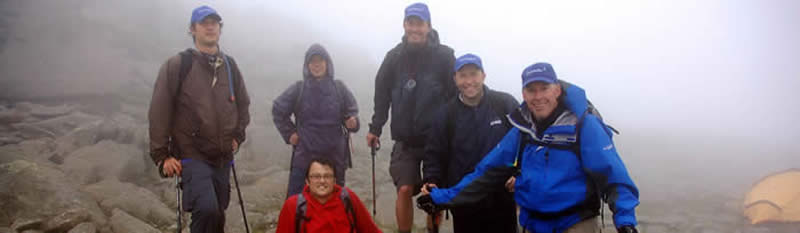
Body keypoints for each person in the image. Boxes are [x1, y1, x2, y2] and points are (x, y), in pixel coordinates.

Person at [420, 63, 640, 233]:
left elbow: (613, 176)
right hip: (532, 224)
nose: (538, 97)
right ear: (523, 94)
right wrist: (440, 198)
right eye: (531, 90)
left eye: (544, 88)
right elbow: (486, 173)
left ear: (556, 90)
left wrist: (625, 222)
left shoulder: (584, 126)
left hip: (576, 223)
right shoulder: (522, 130)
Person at [148, 5, 250, 233]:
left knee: (218, 214)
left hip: (223, 156)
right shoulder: (178, 65)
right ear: (192, 29)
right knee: (207, 209)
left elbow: (243, 104)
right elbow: (159, 109)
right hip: (191, 153)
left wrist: (238, 135)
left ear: (220, 29)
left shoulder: (230, 66)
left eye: (214, 23)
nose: (210, 27)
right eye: (204, 23)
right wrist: (162, 155)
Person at [365, 2, 455, 233]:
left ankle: (431, 230)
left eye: (420, 24)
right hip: (405, 138)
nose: (415, 28)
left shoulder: (445, 57)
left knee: (432, 191)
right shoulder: (394, 57)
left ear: (428, 26)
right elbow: (382, 93)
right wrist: (376, 127)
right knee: (404, 189)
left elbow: (456, 95)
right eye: (410, 23)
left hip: (436, 139)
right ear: (405, 25)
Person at [421, 54, 519, 233]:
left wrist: (519, 172)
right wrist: (432, 179)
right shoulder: (446, 114)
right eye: (463, 75)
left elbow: (525, 141)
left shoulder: (505, 104)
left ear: (483, 75)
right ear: (455, 79)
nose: (469, 81)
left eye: (473, 74)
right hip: (464, 199)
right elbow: (434, 152)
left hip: (502, 197)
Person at [273, 44, 360, 198]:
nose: (317, 65)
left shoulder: (339, 88)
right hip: (305, 153)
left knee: (335, 201)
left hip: (335, 155)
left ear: (328, 63)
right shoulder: (298, 89)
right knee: (296, 201)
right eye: (312, 61)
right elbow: (278, 109)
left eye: (320, 60)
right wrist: (290, 134)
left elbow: (352, 115)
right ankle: (295, 223)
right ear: (307, 66)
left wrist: (353, 123)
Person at [276, 158, 382, 233]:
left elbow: (371, 230)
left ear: (334, 180)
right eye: (316, 176)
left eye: (327, 176)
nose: (322, 181)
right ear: (307, 181)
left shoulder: (348, 198)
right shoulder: (294, 206)